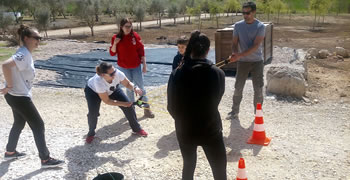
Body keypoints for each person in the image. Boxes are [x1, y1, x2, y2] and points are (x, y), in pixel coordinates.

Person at [0, 25, 64, 168]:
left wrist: (10, 87)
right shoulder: (23, 54)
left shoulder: (25, 53)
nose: (39, 40)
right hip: (19, 97)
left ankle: (10, 151)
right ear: (26, 38)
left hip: (15, 96)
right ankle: (45, 159)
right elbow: (5, 65)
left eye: (40, 38)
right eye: (36, 38)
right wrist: (9, 85)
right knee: (38, 125)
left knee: (19, 122)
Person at [167, 31, 227, 180]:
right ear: (208, 50)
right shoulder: (218, 73)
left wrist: (183, 119)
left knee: (188, 166)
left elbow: (171, 107)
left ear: (189, 49)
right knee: (219, 171)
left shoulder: (177, 73)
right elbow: (216, 99)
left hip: (185, 130)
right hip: (211, 128)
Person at [84, 62, 148, 144]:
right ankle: (91, 133)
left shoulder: (118, 73)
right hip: (93, 92)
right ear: (103, 75)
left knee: (129, 107)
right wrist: (123, 104)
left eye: (115, 71)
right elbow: (107, 101)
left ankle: (137, 129)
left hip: (112, 89)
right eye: (111, 74)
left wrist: (135, 88)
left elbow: (127, 84)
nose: (115, 74)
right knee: (93, 113)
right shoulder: (98, 81)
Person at [109, 18, 154, 118]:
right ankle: (131, 109)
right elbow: (112, 53)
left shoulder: (135, 36)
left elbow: (141, 51)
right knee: (129, 89)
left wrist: (144, 66)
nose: (129, 28)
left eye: (130, 26)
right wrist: (115, 43)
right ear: (121, 27)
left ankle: (146, 109)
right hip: (123, 68)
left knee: (141, 88)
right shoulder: (116, 37)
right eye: (126, 26)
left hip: (136, 67)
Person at [228, 1, 265, 120]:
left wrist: (239, 56)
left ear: (254, 12)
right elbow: (234, 43)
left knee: (258, 88)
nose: (245, 15)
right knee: (238, 86)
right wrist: (234, 53)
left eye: (248, 13)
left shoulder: (260, 26)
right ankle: (234, 112)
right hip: (242, 62)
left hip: (257, 61)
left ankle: (258, 113)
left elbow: (255, 46)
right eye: (243, 12)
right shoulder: (238, 26)